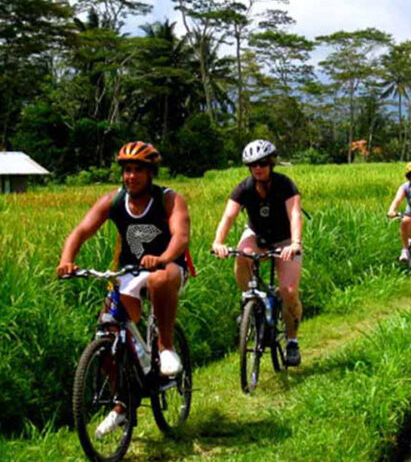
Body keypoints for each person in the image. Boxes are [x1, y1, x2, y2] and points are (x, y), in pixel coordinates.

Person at [56, 141, 191, 438]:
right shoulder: (114, 201)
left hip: (169, 268)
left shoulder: (168, 199)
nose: (131, 176)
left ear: (151, 173)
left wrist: (164, 258)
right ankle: (123, 403)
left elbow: (180, 237)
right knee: (108, 333)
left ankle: (165, 346)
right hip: (128, 271)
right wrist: (68, 260)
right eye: (127, 170)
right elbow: (80, 231)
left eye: (138, 171)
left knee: (158, 279)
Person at [211, 139, 304, 366]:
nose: (258, 168)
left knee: (288, 291)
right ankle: (248, 302)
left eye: (262, 163)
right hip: (256, 234)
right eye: (253, 165)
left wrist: (295, 243)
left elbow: (295, 215)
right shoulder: (244, 188)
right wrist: (218, 242)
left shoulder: (285, 185)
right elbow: (229, 217)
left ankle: (292, 341)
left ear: (271, 163)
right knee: (242, 255)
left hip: (284, 239)